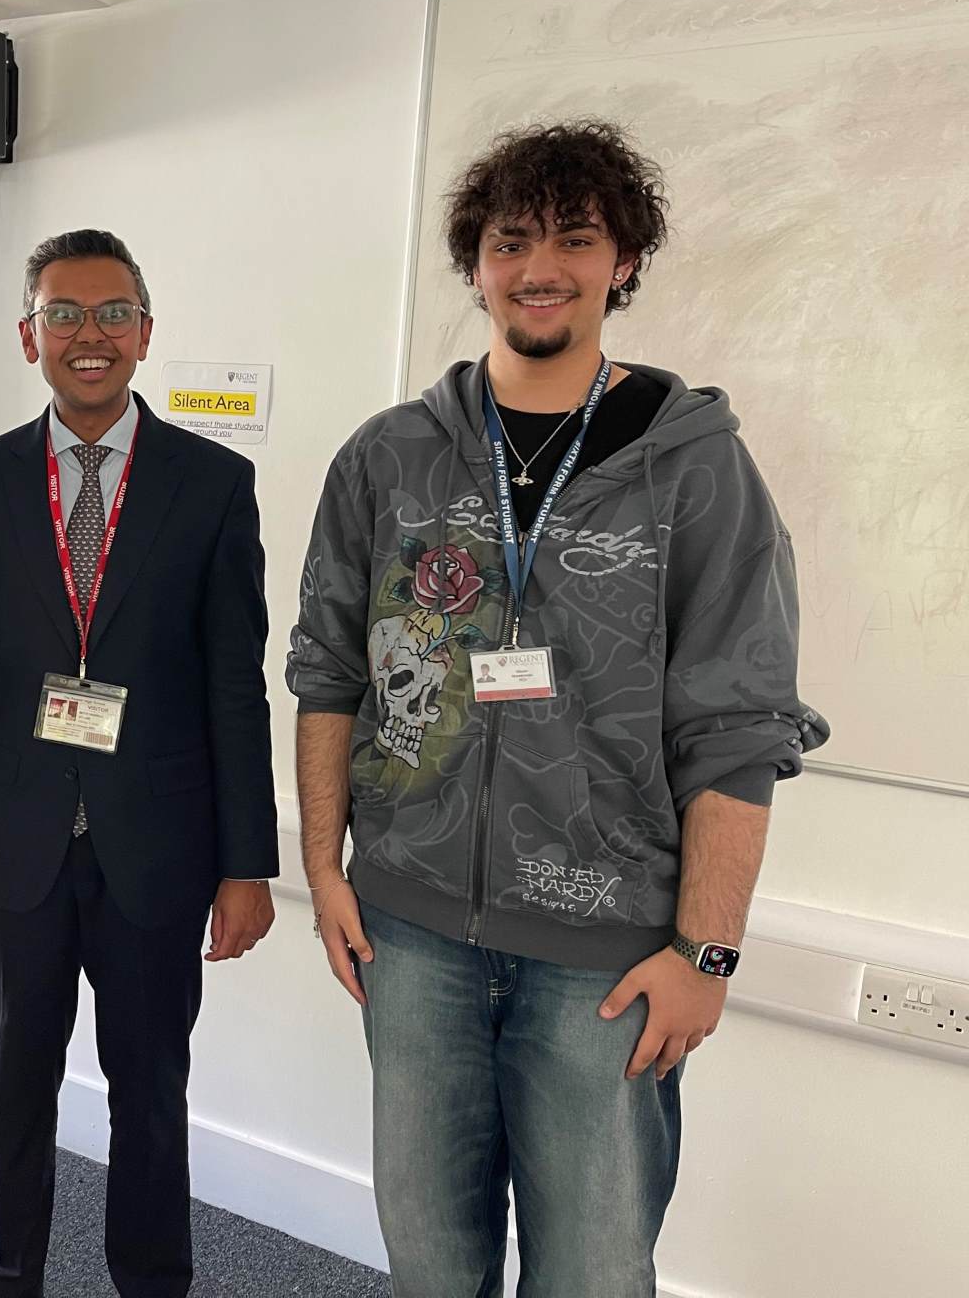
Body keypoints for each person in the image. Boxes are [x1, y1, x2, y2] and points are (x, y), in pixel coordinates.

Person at [287, 120, 828, 1295]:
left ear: (623, 260)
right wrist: (324, 869)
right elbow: (328, 671)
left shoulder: (697, 469)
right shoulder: (388, 458)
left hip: (608, 953)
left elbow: (739, 728)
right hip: (411, 931)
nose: (540, 267)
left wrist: (707, 951)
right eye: (511, 241)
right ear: (474, 264)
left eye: (576, 239)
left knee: (591, 1272)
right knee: (431, 1265)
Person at [0, 229, 279, 1298]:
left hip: (157, 849)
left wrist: (247, 864)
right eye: (63, 313)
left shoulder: (212, 484)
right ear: (28, 336)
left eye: (114, 313)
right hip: (13, 845)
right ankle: (3, 1280)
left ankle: (153, 1282)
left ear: (145, 333)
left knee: (151, 1094)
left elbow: (235, 687)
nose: (90, 334)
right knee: (13, 1089)